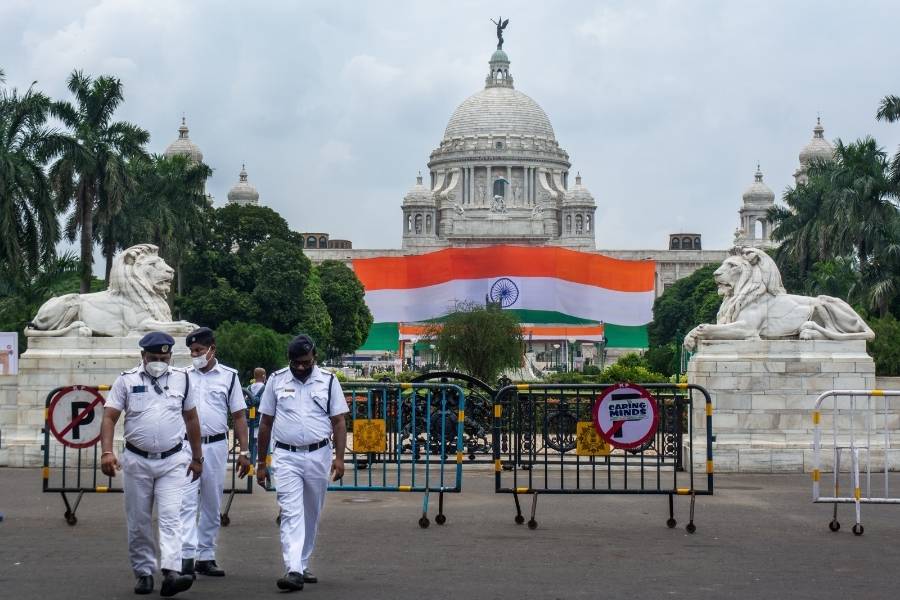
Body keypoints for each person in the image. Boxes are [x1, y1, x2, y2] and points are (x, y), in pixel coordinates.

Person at [100, 332, 203, 597]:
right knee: (139, 521)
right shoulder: (126, 380)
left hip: (172, 460)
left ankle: (171, 572)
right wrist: (107, 452)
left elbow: (191, 419)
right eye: (154, 358)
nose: (159, 362)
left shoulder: (183, 379)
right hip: (136, 461)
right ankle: (144, 573)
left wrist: (197, 457)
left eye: (164, 357)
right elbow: (110, 417)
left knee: (171, 517)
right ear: (142, 356)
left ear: (171, 357)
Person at [256, 334, 348, 592]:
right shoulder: (276, 380)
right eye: (295, 362)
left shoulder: (328, 381)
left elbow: (339, 422)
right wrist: (261, 463)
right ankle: (293, 569)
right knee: (291, 512)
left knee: (311, 512)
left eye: (305, 362)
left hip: (319, 455)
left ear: (314, 358)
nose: (299, 367)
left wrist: (339, 459)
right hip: (286, 456)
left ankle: (302, 561)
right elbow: (265, 423)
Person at [179, 327, 251, 578]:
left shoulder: (229, 377)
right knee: (186, 502)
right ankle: (186, 556)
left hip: (217, 445)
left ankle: (206, 555)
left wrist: (245, 451)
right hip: (187, 446)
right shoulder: (183, 376)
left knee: (211, 501)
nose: (195, 355)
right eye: (192, 351)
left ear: (212, 349)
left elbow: (239, 416)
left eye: (199, 350)